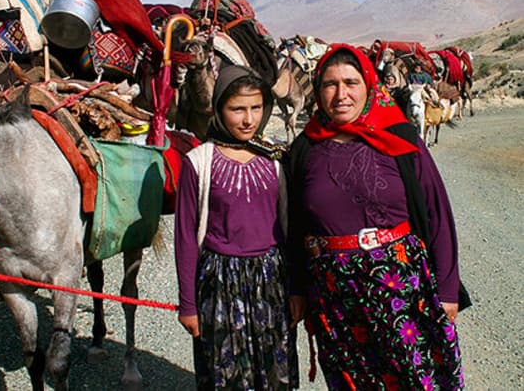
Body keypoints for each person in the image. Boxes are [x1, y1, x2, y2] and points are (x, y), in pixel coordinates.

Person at [287, 44, 464, 390]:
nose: (341, 94)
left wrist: (447, 288)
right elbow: (293, 226)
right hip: (334, 295)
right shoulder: (304, 149)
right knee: (353, 382)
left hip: (401, 285)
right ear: (318, 91)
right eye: (330, 84)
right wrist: (296, 287)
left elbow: (437, 211)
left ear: (368, 85)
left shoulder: (400, 138)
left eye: (351, 83)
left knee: (416, 379)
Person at [174, 64, 303, 390]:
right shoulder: (198, 161)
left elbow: (293, 228)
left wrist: (297, 288)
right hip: (220, 281)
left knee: (274, 370)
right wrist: (188, 304)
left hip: (271, 278)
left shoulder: (276, 158)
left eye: (256, 107)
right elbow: (186, 236)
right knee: (226, 373)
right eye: (237, 109)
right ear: (219, 109)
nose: (248, 119)